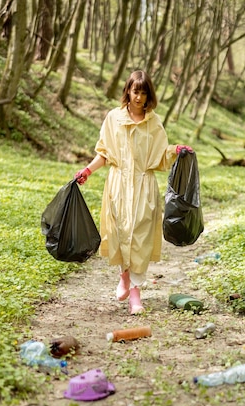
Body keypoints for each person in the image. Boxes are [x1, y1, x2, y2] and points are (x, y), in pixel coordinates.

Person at [75, 69, 192, 314]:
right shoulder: (113, 119)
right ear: (128, 90)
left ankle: (136, 294)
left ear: (149, 95)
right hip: (118, 183)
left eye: (144, 92)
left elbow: (161, 156)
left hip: (143, 184)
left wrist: (177, 149)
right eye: (135, 91)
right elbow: (104, 154)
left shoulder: (154, 123)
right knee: (119, 232)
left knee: (139, 235)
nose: (139, 97)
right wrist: (87, 170)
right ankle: (124, 276)